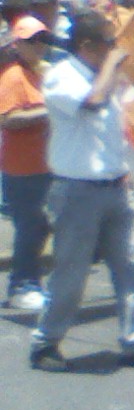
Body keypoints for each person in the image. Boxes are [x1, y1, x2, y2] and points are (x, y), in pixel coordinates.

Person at [28, 9, 134, 371]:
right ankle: (46, 343)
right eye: (108, 42)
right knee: (72, 273)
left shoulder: (107, 78)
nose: (115, 48)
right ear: (86, 45)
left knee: (133, 267)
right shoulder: (62, 76)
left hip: (115, 187)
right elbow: (91, 104)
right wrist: (111, 68)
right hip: (76, 191)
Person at [0, 16, 55, 309]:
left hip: (44, 165)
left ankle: (32, 281)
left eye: (42, 40)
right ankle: (21, 286)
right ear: (17, 44)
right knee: (30, 228)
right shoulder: (13, 76)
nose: (38, 46)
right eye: (31, 40)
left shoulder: (38, 73)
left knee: (41, 226)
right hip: (22, 168)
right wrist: (47, 111)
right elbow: (7, 118)